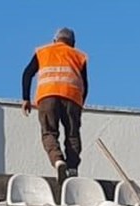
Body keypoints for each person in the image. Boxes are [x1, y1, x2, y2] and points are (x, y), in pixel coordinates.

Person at [21, 27, 89, 182]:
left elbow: (27, 73)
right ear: (73, 43)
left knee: (49, 132)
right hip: (72, 98)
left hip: (47, 96)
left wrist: (25, 98)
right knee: (72, 134)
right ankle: (72, 168)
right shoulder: (79, 56)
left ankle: (58, 161)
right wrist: (80, 105)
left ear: (54, 40)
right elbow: (86, 84)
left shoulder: (43, 51)